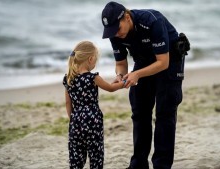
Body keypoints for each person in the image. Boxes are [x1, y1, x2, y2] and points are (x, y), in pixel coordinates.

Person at [101, 1, 190, 169]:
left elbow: (162, 63)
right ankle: (139, 164)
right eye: (111, 31)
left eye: (117, 29)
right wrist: (120, 76)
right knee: (139, 110)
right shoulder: (115, 33)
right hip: (144, 60)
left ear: (127, 17)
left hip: (169, 59)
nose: (116, 34)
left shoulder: (152, 21)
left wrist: (137, 74)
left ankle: (161, 166)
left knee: (165, 112)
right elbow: (120, 63)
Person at [63, 41, 124, 169]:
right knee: (95, 153)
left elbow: (68, 103)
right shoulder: (93, 78)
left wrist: (73, 118)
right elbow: (111, 88)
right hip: (93, 120)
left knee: (76, 155)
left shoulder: (68, 78)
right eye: (95, 59)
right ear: (90, 59)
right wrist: (124, 82)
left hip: (76, 121)